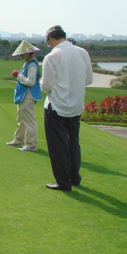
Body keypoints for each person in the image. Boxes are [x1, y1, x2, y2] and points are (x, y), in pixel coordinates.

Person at [40, 25, 93, 191]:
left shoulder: (52, 56)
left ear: (51, 39)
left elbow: (46, 85)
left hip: (56, 106)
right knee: (73, 142)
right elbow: (89, 79)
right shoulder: (82, 52)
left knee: (58, 145)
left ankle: (63, 182)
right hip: (76, 106)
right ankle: (74, 177)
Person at [6, 40, 42, 152]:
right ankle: (18, 140)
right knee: (21, 119)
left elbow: (30, 82)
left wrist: (19, 75)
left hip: (28, 96)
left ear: (28, 53)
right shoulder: (27, 63)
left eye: (22, 54)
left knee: (29, 121)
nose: (21, 56)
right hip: (23, 96)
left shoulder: (32, 65)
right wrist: (19, 75)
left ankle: (31, 144)